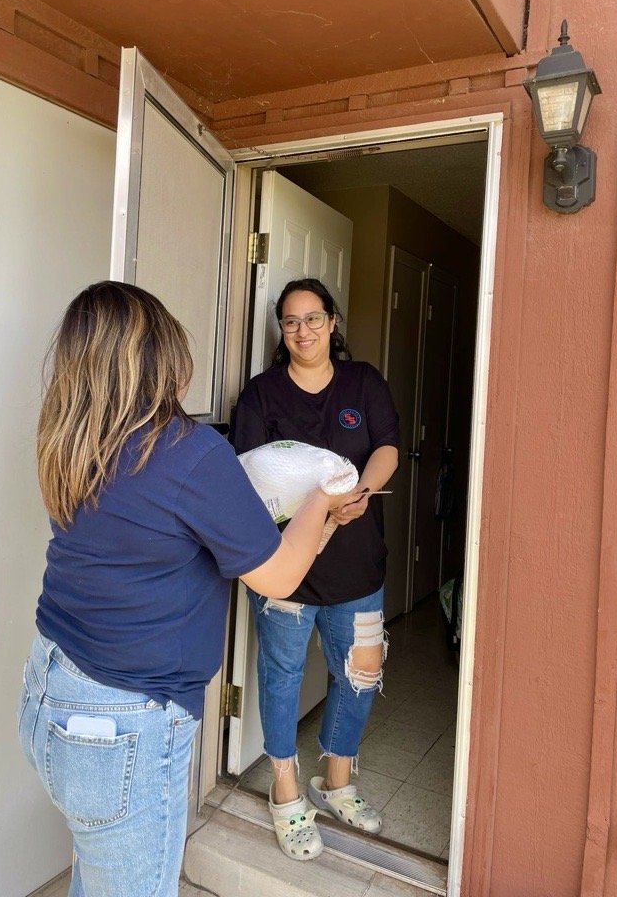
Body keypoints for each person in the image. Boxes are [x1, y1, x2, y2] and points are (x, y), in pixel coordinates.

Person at [17, 281, 363, 897]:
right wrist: (320, 504)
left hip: (51, 690)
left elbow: (150, 527)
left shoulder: (69, 439)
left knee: (96, 872)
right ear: (162, 357)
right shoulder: (188, 450)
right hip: (125, 719)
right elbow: (280, 575)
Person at [229, 278, 400, 861]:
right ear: (283, 331)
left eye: (313, 318)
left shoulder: (363, 382)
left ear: (333, 321)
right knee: (280, 673)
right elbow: (247, 477)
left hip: (358, 562)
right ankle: (284, 790)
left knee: (360, 670)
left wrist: (362, 492)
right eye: (291, 321)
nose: (303, 331)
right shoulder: (260, 396)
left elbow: (387, 448)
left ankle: (338, 780)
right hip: (286, 569)